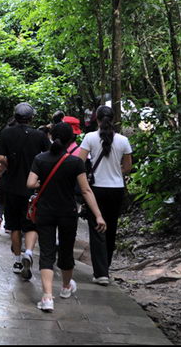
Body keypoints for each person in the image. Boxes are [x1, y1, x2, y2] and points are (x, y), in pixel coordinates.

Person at [27, 121, 107, 312]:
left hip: (45, 212)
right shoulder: (75, 162)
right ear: (72, 139)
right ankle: (65, 287)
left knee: (46, 253)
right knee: (66, 250)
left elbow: (30, 183)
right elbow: (86, 191)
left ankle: (47, 297)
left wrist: (42, 182)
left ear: (51, 137)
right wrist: (98, 216)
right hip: (67, 213)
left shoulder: (40, 159)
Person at [75, 104, 133, 285]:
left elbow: (79, 162)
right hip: (117, 190)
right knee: (111, 228)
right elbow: (128, 167)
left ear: (97, 119)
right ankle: (105, 266)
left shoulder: (90, 138)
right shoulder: (123, 140)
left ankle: (101, 273)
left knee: (97, 228)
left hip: (96, 189)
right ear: (113, 119)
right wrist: (116, 171)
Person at [0, 102, 48, 280]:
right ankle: (29, 252)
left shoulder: (6, 133)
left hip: (11, 187)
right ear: (31, 117)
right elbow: (47, 156)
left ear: (15, 116)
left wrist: (11, 163)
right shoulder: (39, 135)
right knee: (31, 223)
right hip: (32, 187)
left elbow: (1, 157)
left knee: (14, 226)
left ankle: (17, 260)